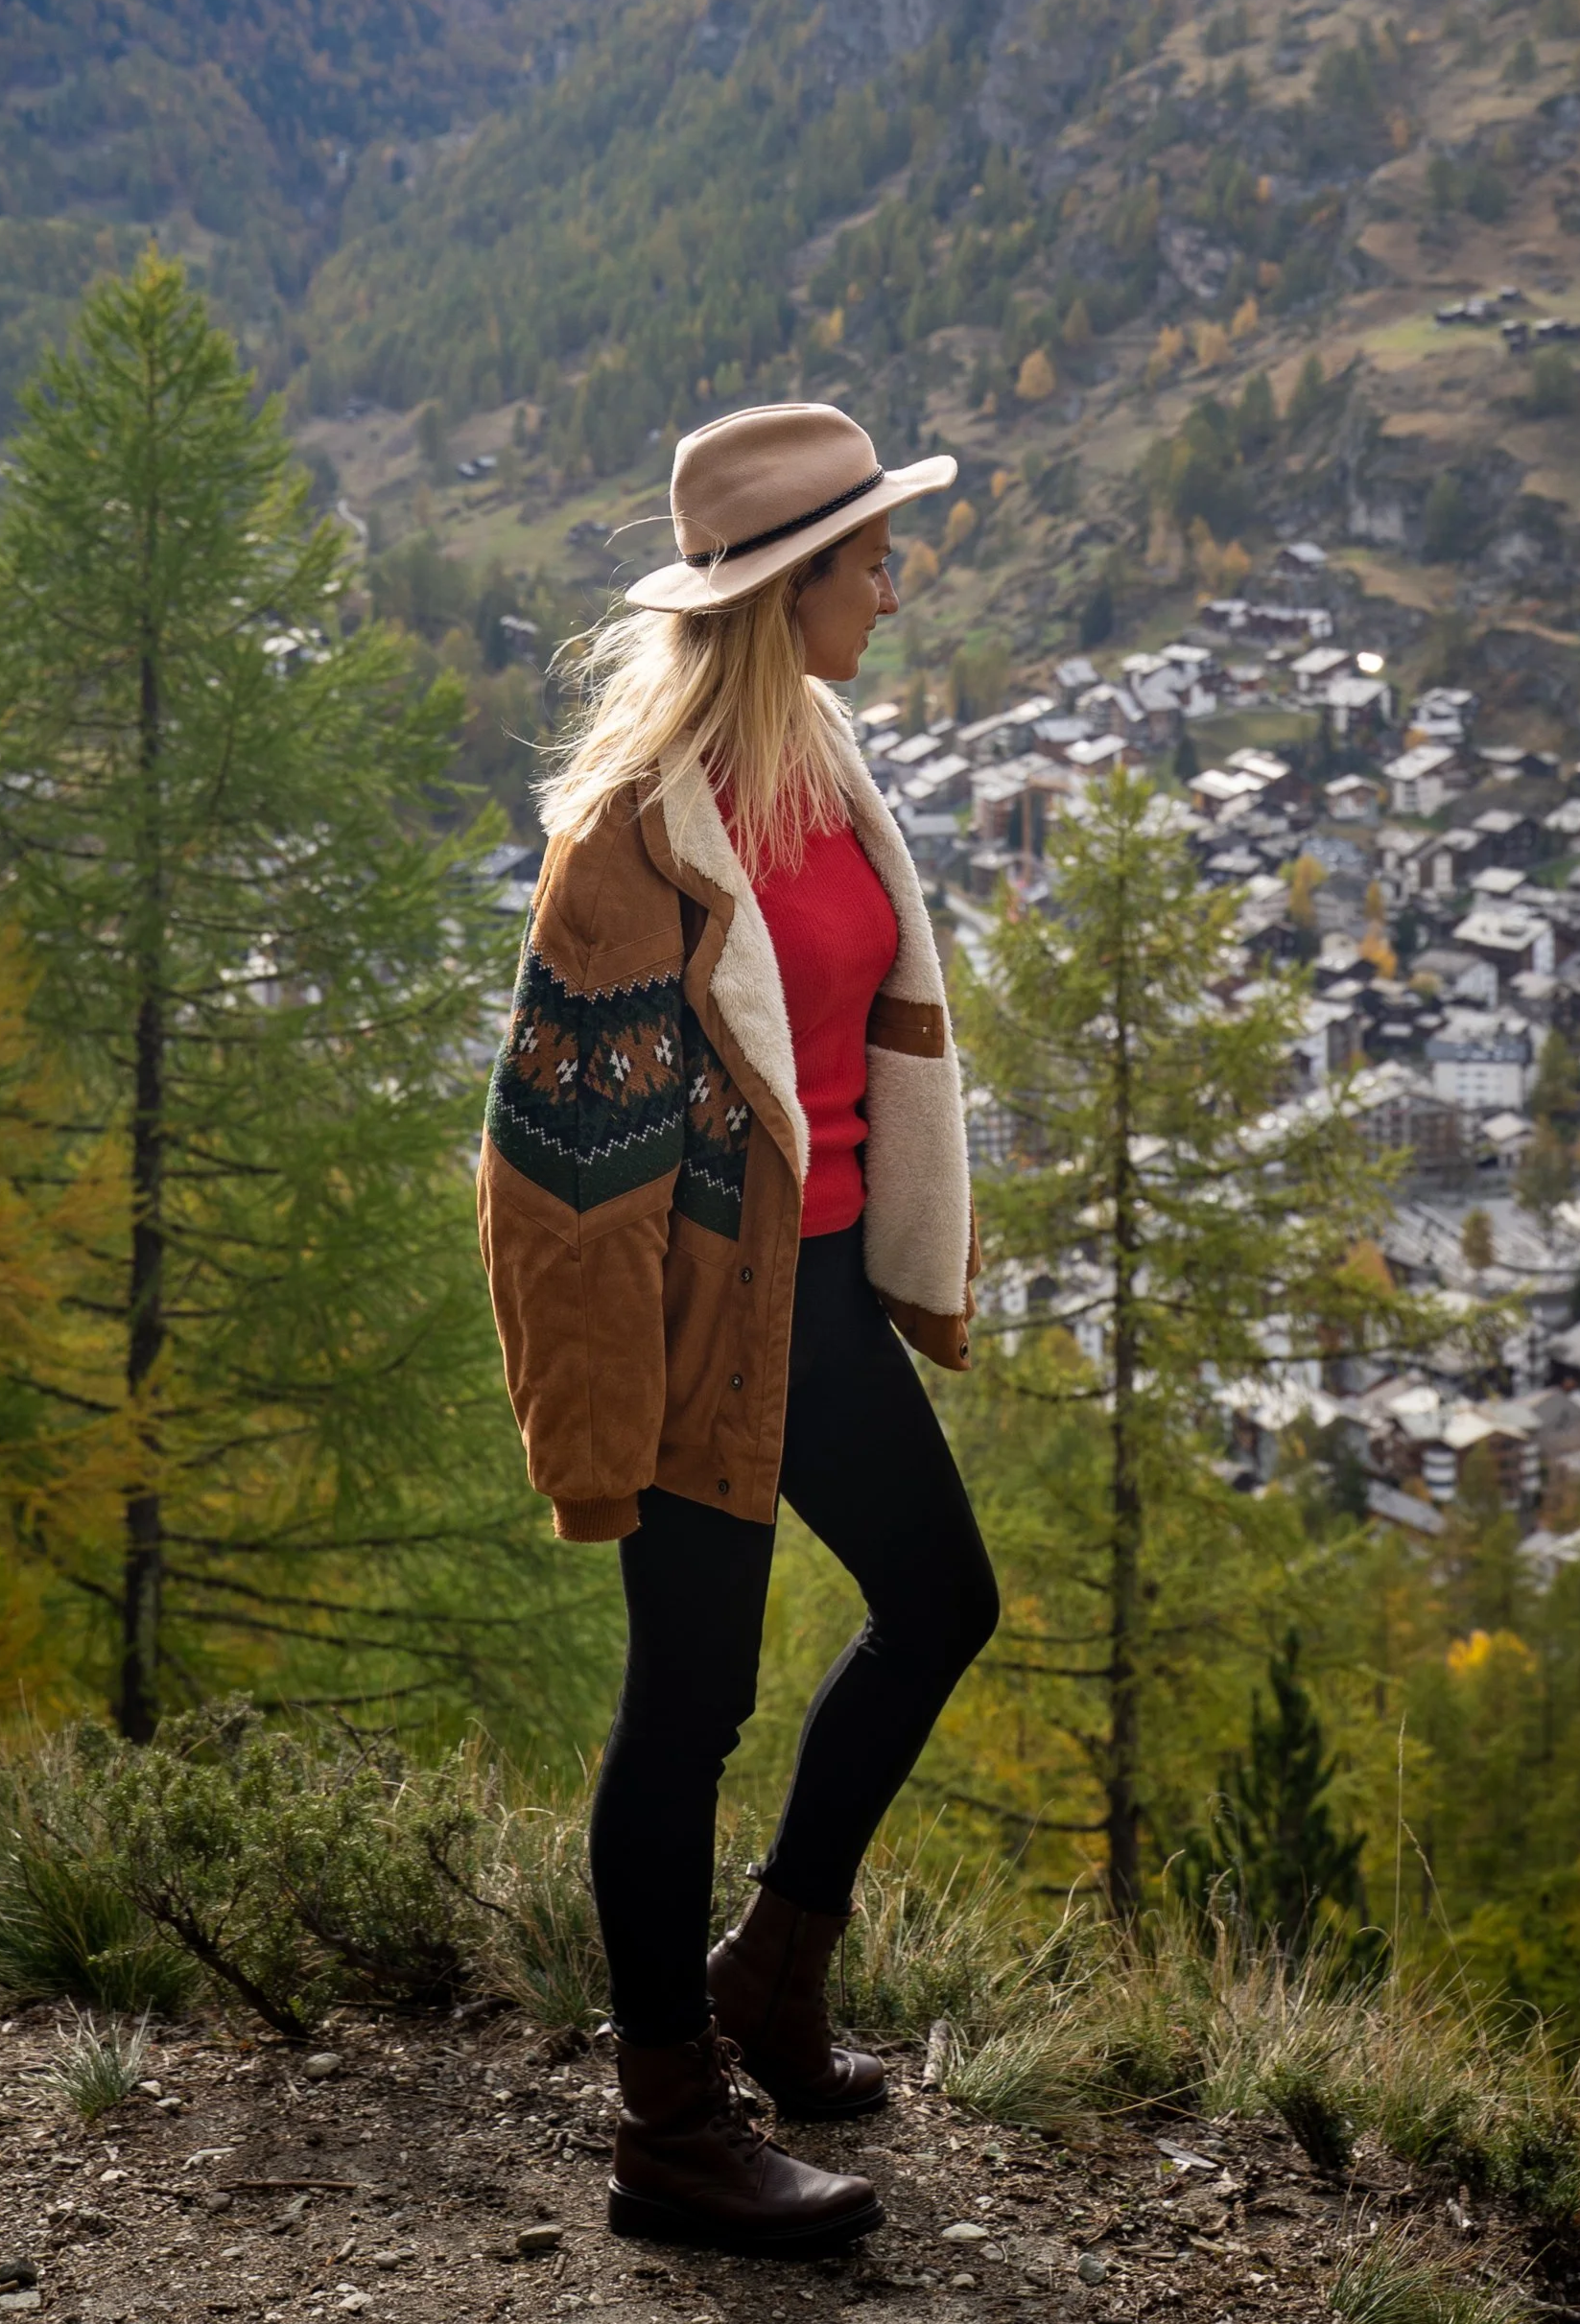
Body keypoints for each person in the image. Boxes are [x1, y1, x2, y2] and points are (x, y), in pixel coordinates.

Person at [479, 401, 999, 2260]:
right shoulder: (626, 840)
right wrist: (594, 1422)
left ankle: (776, 1964)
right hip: (703, 1320)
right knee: (685, 1707)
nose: (893, 573)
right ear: (788, 588)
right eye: (868, 551)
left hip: (830, 1296)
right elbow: (550, 1172)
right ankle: (670, 2121)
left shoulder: (821, 754)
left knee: (943, 1599)